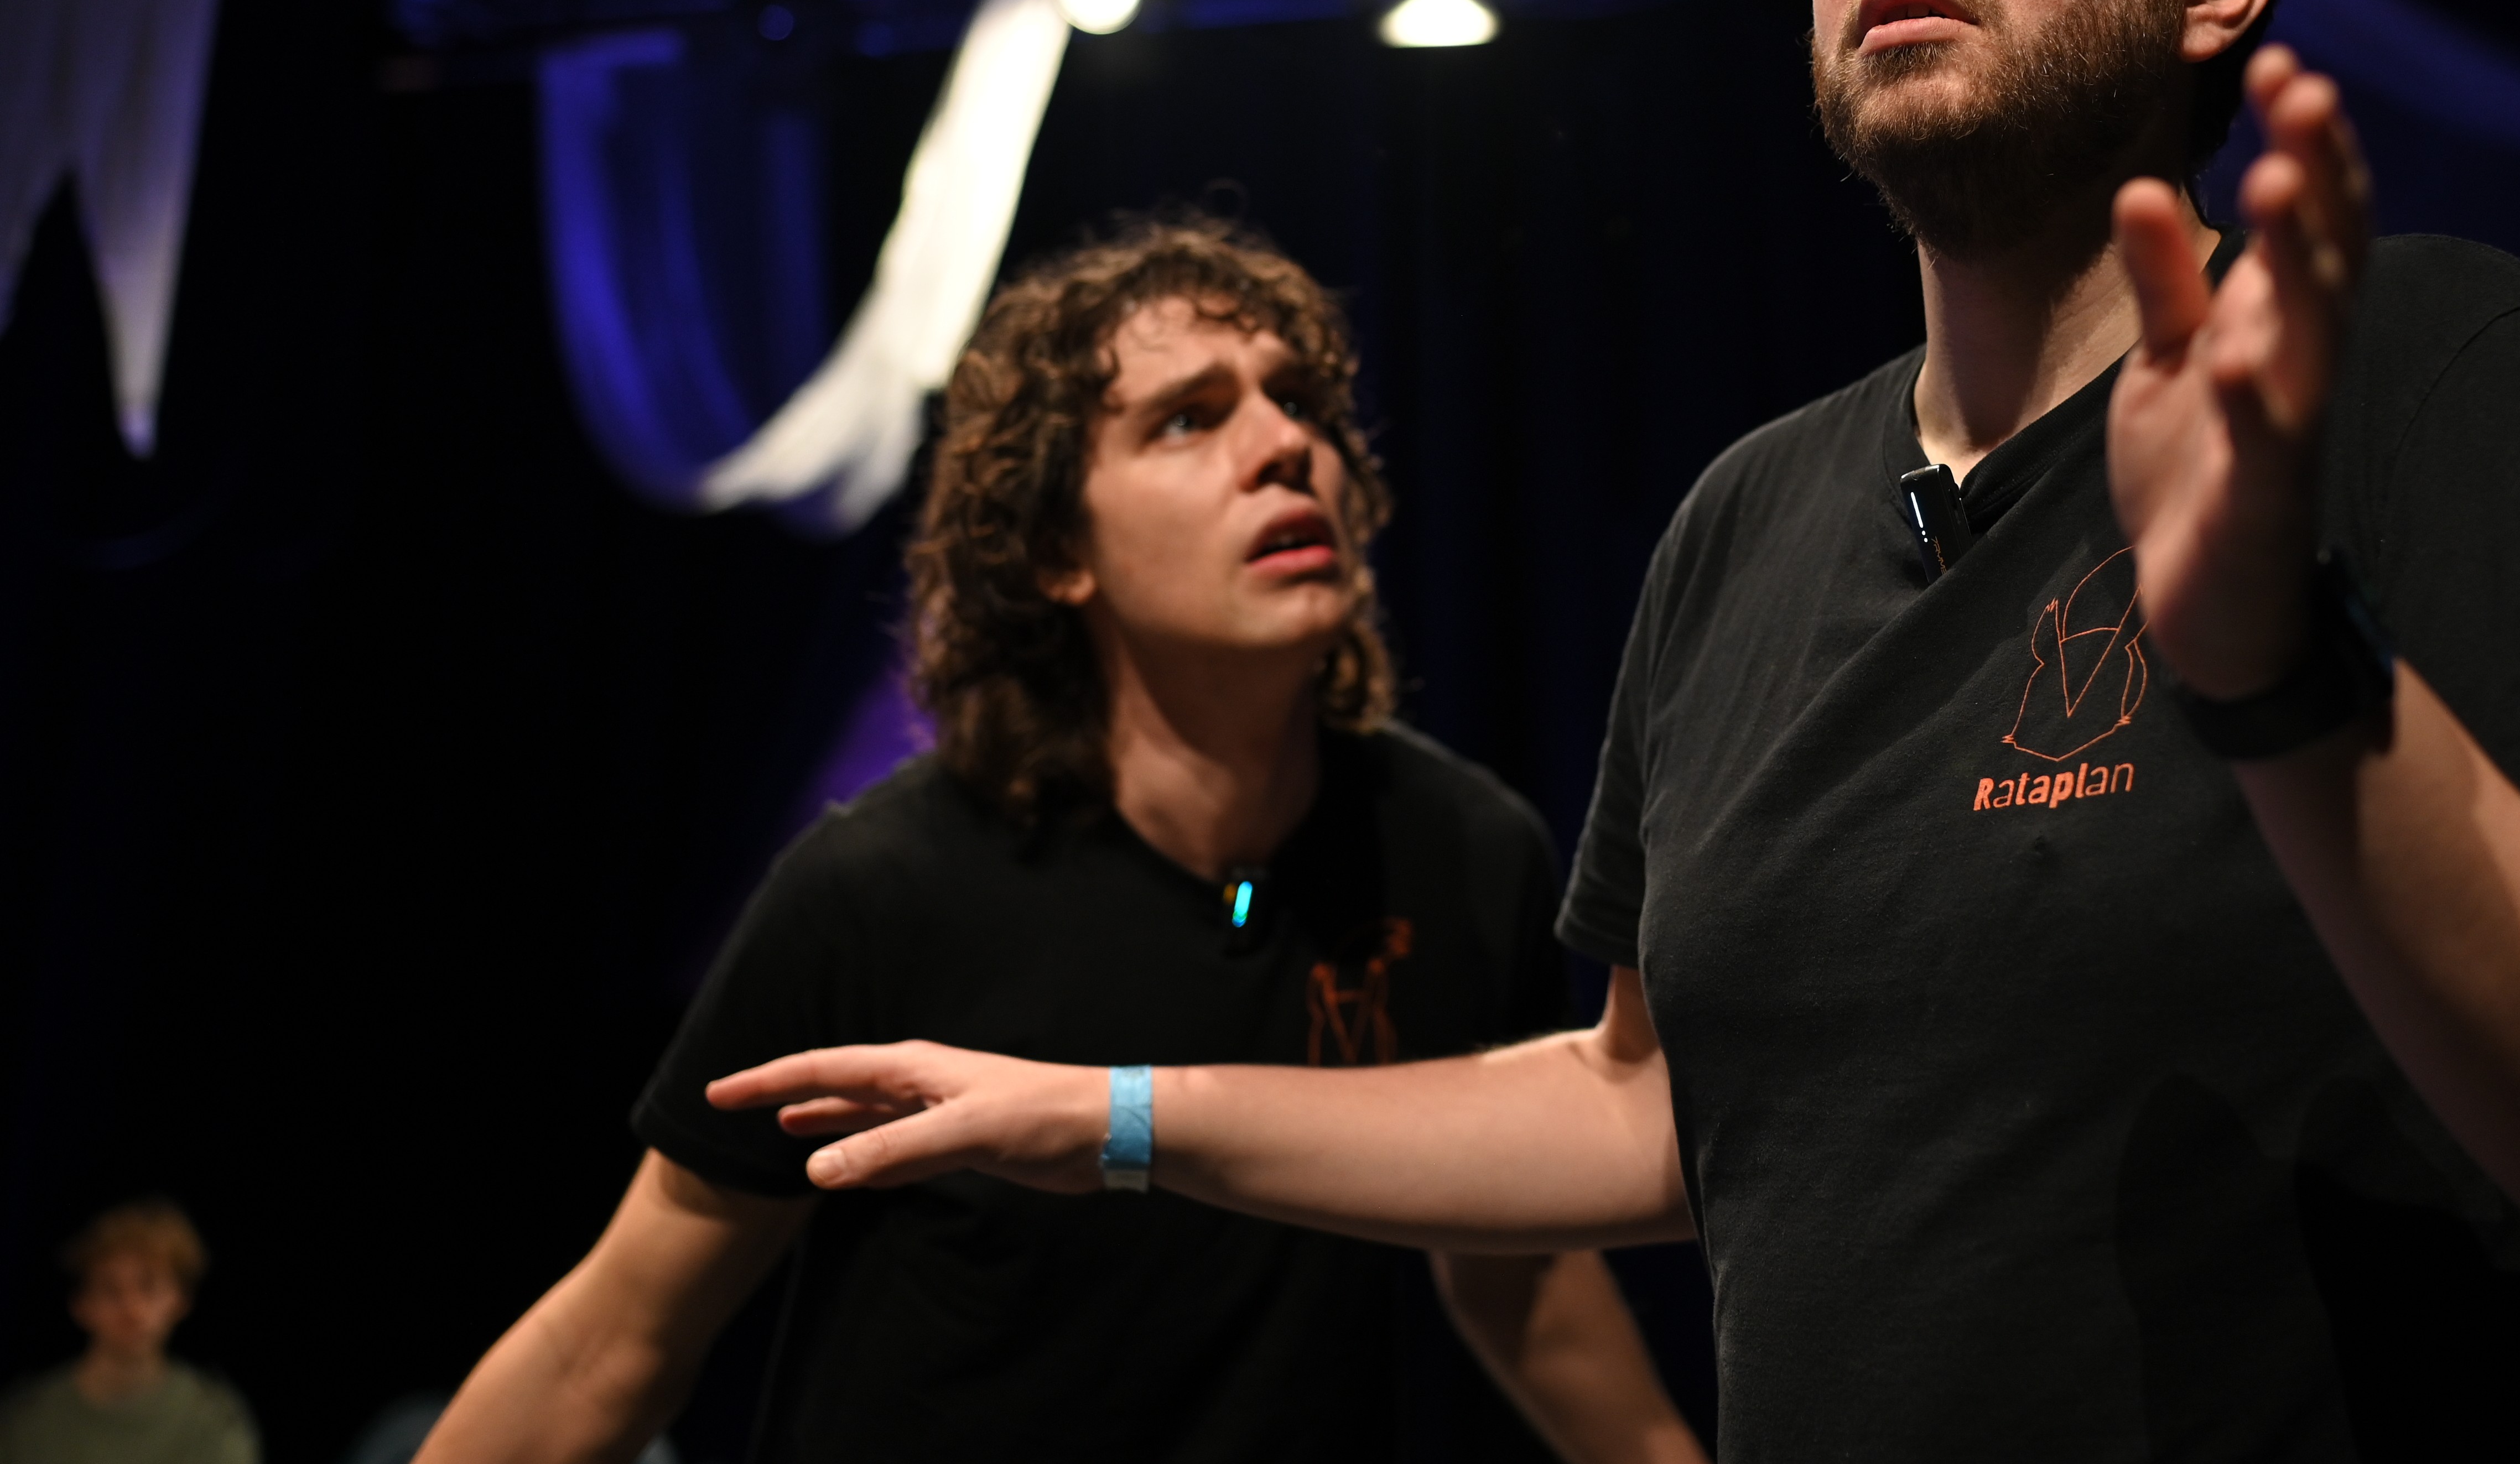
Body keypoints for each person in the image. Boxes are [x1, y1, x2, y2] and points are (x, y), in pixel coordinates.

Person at [710, 0, 2520, 1460]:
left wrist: (2287, 674)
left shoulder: (2429, 368)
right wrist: (1113, 1113)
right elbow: (1645, 1099)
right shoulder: (1744, 521)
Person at [418, 220, 1703, 1464]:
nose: (1285, 446)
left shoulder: (1462, 851)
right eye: (1188, 417)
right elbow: (612, 1343)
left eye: (1301, 400)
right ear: (1053, 550)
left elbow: (1520, 1274)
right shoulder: (880, 887)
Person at [0, 1200, 258, 1464]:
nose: (131, 1309)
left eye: (149, 1287)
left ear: (180, 1299)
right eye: (110, 1289)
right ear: (81, 1305)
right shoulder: (26, 1420)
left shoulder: (213, 1420)